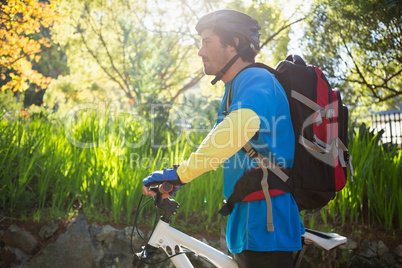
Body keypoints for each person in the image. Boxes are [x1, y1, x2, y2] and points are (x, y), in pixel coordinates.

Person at [142, 9, 304, 268]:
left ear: (234, 44)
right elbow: (218, 144)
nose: (200, 52)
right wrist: (177, 176)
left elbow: (232, 133)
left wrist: (181, 174)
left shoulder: (256, 79)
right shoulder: (236, 88)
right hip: (251, 225)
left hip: (266, 227)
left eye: (207, 42)